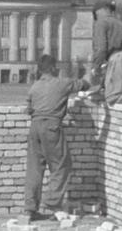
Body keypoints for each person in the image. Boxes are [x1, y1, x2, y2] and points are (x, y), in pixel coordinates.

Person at [24, 55, 90, 221]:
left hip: (34, 128)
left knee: (34, 169)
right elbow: (84, 84)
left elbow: (29, 110)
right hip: (51, 127)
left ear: (39, 69)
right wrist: (93, 71)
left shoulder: (34, 87)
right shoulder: (62, 83)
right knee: (62, 165)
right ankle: (52, 205)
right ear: (53, 68)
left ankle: (29, 209)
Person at [90, 1, 122, 97]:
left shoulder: (101, 23)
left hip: (119, 60)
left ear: (98, 12)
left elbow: (101, 49)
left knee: (113, 97)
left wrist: (95, 67)